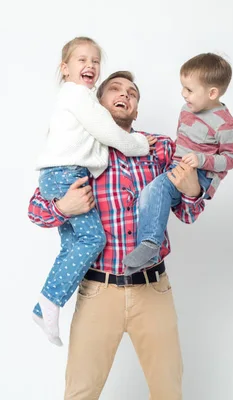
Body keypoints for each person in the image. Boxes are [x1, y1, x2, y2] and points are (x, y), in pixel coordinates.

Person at [28, 71, 205, 400]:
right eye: (115, 90)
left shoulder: (161, 149)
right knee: (80, 392)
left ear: (136, 110)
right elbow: (36, 211)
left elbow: (188, 212)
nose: (124, 95)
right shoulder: (77, 152)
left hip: (153, 289)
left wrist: (192, 188)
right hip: (98, 290)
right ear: (97, 104)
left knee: (169, 391)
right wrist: (64, 207)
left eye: (132, 93)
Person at [32, 37, 152, 346]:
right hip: (65, 177)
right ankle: (50, 301)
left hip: (61, 174)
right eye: (81, 60)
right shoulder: (80, 98)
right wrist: (62, 207)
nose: (90, 65)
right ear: (65, 68)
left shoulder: (77, 103)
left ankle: (44, 307)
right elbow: (109, 132)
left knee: (72, 244)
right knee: (93, 238)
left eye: (95, 61)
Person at [123, 53, 233, 274]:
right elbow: (183, 141)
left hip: (201, 175)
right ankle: (147, 252)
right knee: (151, 191)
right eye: (183, 87)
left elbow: (231, 160)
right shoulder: (186, 109)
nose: (183, 93)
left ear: (212, 93)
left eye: (189, 89)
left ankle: (150, 244)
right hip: (177, 167)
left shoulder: (227, 124)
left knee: (157, 188)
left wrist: (201, 160)